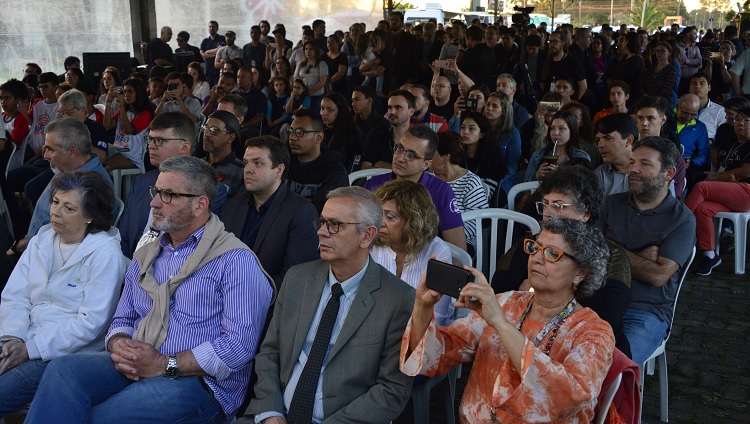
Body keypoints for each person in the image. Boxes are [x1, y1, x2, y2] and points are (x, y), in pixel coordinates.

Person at [24, 157, 275, 423]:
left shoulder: (235, 261)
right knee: (62, 370)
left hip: (200, 383)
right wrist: (119, 344)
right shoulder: (149, 251)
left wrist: (164, 364)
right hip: (138, 362)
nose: (154, 202)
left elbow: (238, 347)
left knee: (99, 418)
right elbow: (122, 319)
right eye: (156, 191)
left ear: (199, 204)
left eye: (168, 195)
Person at [402, 217, 615, 422]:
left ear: (581, 272)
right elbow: (436, 356)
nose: (536, 258)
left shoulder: (593, 331)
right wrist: (423, 305)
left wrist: (501, 323)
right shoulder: (507, 302)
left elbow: (566, 397)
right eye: (534, 247)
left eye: (552, 253)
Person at [247, 187, 415, 423]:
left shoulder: (397, 299)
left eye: (335, 225)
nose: (321, 232)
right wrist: (271, 413)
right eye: (323, 221)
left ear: (366, 236)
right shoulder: (297, 279)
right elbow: (270, 352)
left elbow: (392, 390)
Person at [0, 171, 126, 417]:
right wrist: (10, 339)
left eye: (69, 208)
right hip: (22, 339)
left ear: (90, 215)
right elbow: (16, 296)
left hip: (61, 355)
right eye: (56, 202)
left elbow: (91, 324)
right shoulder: (41, 240)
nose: (56, 212)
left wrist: (31, 349)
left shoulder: (105, 254)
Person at [492, 166, 632, 356]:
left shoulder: (611, 254)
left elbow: (611, 311)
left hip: (587, 349)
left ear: (586, 214)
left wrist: (541, 293)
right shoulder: (530, 244)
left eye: (558, 206)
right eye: (545, 204)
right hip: (525, 342)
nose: (548, 213)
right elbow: (500, 289)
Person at [598, 137, 696, 365]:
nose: (633, 169)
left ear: (669, 173)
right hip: (600, 300)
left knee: (612, 366)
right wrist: (641, 257)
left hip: (643, 312)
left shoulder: (681, 220)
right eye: (632, 162)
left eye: (645, 164)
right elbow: (589, 254)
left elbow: (658, 276)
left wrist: (609, 246)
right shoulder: (610, 204)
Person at [118, 112, 228, 258]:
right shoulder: (141, 182)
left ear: (184, 146)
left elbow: (201, 245)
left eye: (159, 140)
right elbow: (124, 238)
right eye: (150, 139)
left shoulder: (210, 189)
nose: (151, 146)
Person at [222, 135, 319, 286]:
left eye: (258, 163)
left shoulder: (301, 212)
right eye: (246, 163)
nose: (248, 170)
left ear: (279, 170)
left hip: (269, 302)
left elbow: (295, 275)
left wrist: (249, 295)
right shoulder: (233, 205)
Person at [363, 125, 468, 251]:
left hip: (424, 263)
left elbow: (458, 250)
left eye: (411, 155)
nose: (400, 158)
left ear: (426, 164)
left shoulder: (441, 191)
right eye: (399, 148)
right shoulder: (373, 185)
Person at [371, 180, 454, 325]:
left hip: (422, 335)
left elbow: (437, 316)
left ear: (413, 221)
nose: (380, 222)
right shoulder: (371, 244)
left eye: (390, 217)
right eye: (378, 214)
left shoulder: (438, 251)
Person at [685, 106, 750, 275]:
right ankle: (710, 254)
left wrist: (715, 178)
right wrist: (716, 175)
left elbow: (746, 172)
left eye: (746, 121)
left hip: (746, 192)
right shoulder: (734, 143)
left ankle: (678, 226)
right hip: (732, 192)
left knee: (701, 187)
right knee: (703, 209)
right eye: (738, 120)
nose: (740, 124)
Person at [430, 131, 489, 250]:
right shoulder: (428, 177)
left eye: (432, 152)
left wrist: (444, 237)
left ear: (446, 157)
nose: (427, 155)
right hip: (427, 238)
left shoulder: (470, 182)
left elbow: (475, 222)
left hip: (461, 242)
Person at [285, 109, 349, 214]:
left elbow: (321, 210)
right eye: (291, 131)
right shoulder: (283, 162)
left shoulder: (335, 172)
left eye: (300, 132)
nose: (292, 137)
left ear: (319, 137)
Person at [103, 77, 154, 170]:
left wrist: (122, 105)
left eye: (130, 92)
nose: (126, 95)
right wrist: (108, 102)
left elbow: (128, 130)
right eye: (125, 91)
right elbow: (107, 125)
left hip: (132, 155)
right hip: (118, 149)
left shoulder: (145, 113)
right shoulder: (124, 111)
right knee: (96, 157)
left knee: (103, 167)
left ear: (138, 93)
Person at [525, 110, 590, 182]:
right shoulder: (538, 155)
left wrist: (560, 175)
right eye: (552, 128)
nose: (555, 133)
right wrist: (536, 176)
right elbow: (524, 188)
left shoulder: (580, 157)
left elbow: (584, 187)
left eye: (561, 128)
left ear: (572, 131)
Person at [459, 111, 507, 205]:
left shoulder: (492, 160)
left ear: (482, 134)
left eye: (471, 129)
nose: (465, 132)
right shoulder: (456, 155)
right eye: (463, 127)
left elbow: (485, 196)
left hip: (483, 209)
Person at [361, 89, 415, 170]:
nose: (392, 112)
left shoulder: (419, 141)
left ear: (411, 112)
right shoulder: (377, 137)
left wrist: (385, 166)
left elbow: (418, 171)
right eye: (390, 107)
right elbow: (365, 168)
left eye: (398, 107)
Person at [594, 113, 639, 196]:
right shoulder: (599, 175)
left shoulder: (649, 171)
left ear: (629, 140)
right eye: (598, 140)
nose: (600, 145)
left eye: (608, 138)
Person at [202, 110, 244, 197]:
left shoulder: (240, 171)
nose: (206, 134)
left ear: (231, 138)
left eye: (214, 130)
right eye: (205, 128)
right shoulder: (197, 165)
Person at [320, 92, 364, 172]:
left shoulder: (350, 133)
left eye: (330, 110)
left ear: (340, 112)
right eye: (322, 108)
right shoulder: (320, 128)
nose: (324, 113)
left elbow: (340, 161)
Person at [606, 32, 644, 107]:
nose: (621, 44)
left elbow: (622, 76)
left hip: (630, 96)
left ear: (627, 42)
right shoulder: (624, 58)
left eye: (623, 41)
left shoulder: (636, 60)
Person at [293, 41, 329, 111]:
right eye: (306, 49)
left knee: (315, 116)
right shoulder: (300, 64)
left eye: (311, 49)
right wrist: (300, 91)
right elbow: (296, 79)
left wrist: (309, 92)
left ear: (315, 50)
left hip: (316, 96)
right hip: (302, 95)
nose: (308, 51)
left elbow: (322, 82)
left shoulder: (321, 64)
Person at [200, 21, 226, 86]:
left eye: (213, 27)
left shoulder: (222, 38)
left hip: (218, 71)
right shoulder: (205, 41)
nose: (211, 28)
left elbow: (220, 49)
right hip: (207, 71)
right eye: (210, 27)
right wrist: (215, 54)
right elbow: (202, 54)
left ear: (217, 28)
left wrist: (207, 52)